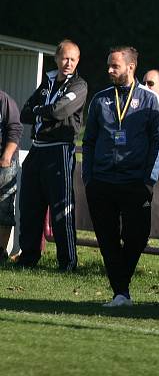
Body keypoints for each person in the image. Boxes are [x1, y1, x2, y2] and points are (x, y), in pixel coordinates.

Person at [82, 46, 159, 307]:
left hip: (135, 182)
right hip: (102, 182)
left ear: (130, 67)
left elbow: (158, 142)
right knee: (107, 239)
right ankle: (121, 293)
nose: (109, 70)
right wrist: (89, 177)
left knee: (137, 236)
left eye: (114, 66)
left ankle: (121, 286)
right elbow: (89, 141)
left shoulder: (151, 100)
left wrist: (149, 179)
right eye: (108, 65)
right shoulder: (101, 99)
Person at [17, 39, 88, 271]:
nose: (68, 63)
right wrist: (41, 112)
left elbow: (60, 112)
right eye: (65, 58)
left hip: (59, 149)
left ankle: (67, 262)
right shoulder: (46, 83)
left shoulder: (79, 85)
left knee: (61, 208)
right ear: (56, 58)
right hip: (37, 149)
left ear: (78, 62)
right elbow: (24, 113)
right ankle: (28, 258)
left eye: (73, 59)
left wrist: (39, 111)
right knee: (30, 206)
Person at [0, 91, 22, 263]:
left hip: (4, 162)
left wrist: (6, 157)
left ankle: (1, 252)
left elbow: (15, 128)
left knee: (4, 208)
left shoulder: (4, 99)